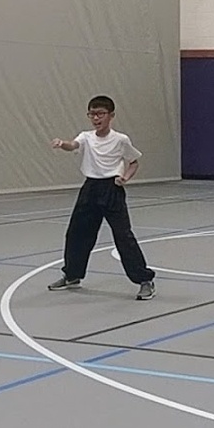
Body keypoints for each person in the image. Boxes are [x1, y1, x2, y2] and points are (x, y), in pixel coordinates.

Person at [47, 95, 156, 300]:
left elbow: (133, 162)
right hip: (90, 188)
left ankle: (144, 280)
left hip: (111, 189)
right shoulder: (86, 137)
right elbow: (73, 145)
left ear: (111, 115)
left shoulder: (121, 140)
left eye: (100, 114)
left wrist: (125, 177)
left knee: (123, 237)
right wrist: (62, 143)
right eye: (92, 114)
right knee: (76, 234)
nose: (96, 118)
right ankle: (72, 275)